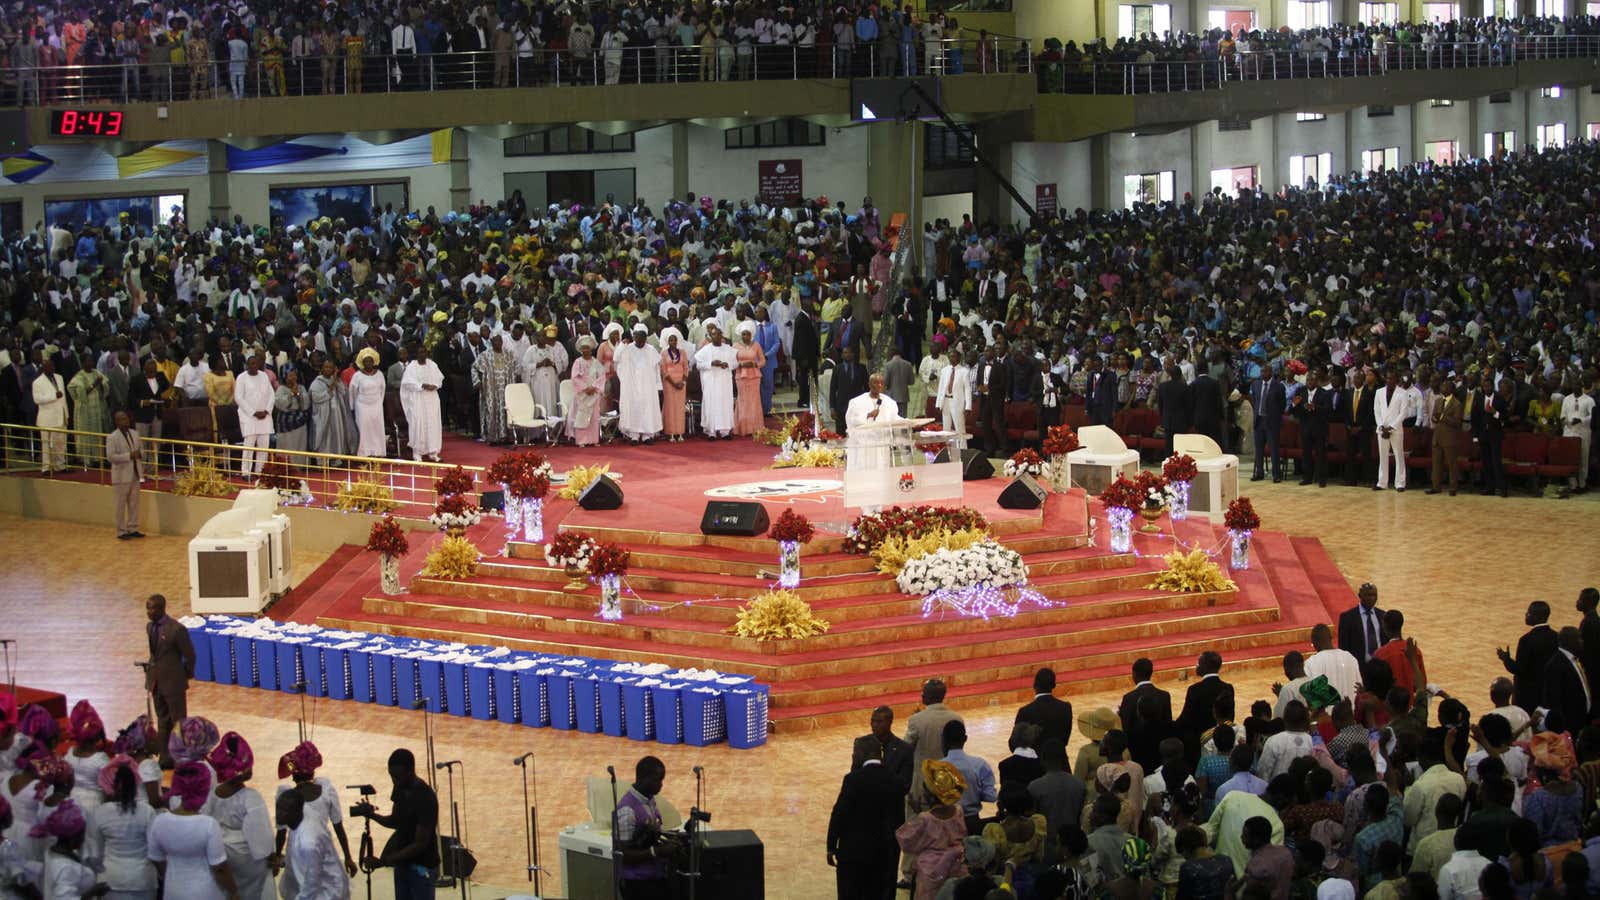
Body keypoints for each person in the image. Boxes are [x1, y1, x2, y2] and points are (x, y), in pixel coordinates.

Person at [271, 741, 357, 894]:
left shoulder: (285, 796)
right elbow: (338, 826)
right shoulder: (327, 790)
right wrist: (348, 857)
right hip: (322, 847)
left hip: (296, 850)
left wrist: (277, 857)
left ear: (294, 775)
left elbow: (281, 833)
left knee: (301, 889)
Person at [353, 749, 438, 900]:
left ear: (411, 771)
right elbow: (395, 821)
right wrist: (372, 815)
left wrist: (384, 861)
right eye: (392, 776)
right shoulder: (400, 788)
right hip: (402, 863)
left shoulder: (425, 797)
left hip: (422, 866)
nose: (395, 781)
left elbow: (420, 844)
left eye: (398, 777)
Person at [147, 763, 236, 900]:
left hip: (173, 891)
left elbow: (157, 859)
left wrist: (173, 876)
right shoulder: (208, 825)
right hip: (206, 892)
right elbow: (219, 868)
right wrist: (234, 892)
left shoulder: (160, 821)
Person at [826, 746, 904, 900]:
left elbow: (839, 814)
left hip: (852, 852)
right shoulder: (895, 781)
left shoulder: (852, 779)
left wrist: (831, 846)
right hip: (882, 853)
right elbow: (899, 819)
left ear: (861, 755)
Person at [206, 734, 273, 900]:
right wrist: (271, 856)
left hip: (220, 852)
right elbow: (260, 836)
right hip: (246, 858)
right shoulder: (251, 797)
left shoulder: (213, 792)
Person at [609, 756, 679, 900]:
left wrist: (666, 836)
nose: (661, 784)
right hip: (636, 884)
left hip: (654, 877)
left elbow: (647, 835)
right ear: (643, 778)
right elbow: (622, 855)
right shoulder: (627, 810)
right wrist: (656, 851)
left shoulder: (649, 799)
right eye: (657, 780)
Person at [86, 756, 156, 900]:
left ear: (113, 786)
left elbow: (93, 855)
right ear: (136, 786)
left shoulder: (100, 812)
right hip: (142, 880)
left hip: (111, 879)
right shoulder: (147, 811)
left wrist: (100, 875)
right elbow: (155, 850)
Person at [896, 760, 967, 900]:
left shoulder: (925, 818)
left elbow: (906, 841)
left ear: (930, 795)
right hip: (956, 866)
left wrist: (916, 814)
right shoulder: (959, 810)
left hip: (931, 872)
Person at [143, 593, 194, 770]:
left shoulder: (177, 630)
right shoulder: (150, 627)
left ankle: (182, 759)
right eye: (147, 608)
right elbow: (154, 655)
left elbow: (190, 656)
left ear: (162, 608)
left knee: (179, 722)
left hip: (174, 684)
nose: (149, 612)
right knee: (162, 721)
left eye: (153, 608)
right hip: (157, 683)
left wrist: (183, 675)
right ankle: (164, 758)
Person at [275, 792, 345, 900]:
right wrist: (283, 860)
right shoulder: (296, 827)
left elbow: (311, 885)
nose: (278, 814)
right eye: (278, 809)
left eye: (283, 810)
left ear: (295, 812)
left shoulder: (307, 842)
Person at [1499, 600, 1560, 714]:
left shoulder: (1526, 640)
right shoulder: (1556, 636)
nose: (1526, 615)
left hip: (1527, 696)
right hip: (1548, 691)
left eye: (1529, 613)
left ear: (1538, 617)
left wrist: (1506, 659)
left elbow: (1519, 669)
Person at [941, 720, 996, 837]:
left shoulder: (936, 768)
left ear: (943, 739)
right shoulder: (980, 764)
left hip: (946, 825)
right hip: (972, 822)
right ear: (965, 738)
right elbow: (991, 797)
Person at [615, 325, 663, 444]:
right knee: (633, 408)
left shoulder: (651, 349)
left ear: (646, 338)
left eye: (642, 338)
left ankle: (647, 435)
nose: (640, 340)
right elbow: (616, 360)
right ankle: (634, 436)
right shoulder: (627, 348)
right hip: (631, 386)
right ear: (633, 336)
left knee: (647, 409)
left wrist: (658, 385)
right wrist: (621, 345)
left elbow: (657, 370)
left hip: (648, 385)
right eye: (637, 337)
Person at [845, 372, 901, 472]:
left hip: (881, 445)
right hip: (864, 446)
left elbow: (895, 418)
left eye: (881, 383)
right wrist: (867, 415)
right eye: (876, 383)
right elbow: (851, 420)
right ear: (869, 384)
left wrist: (909, 422)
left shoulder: (890, 402)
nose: (879, 385)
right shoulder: (856, 402)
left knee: (881, 473)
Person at [1543, 626, 1593, 734]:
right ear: (1569, 641)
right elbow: (1554, 701)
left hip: (1581, 721)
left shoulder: (1573, 659)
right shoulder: (1555, 665)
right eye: (1579, 638)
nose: (1582, 641)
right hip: (1569, 727)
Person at [469, 334, 517, 445]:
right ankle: (492, 437)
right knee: (491, 411)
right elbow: (474, 368)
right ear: (491, 342)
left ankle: (506, 436)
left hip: (506, 388)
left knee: (507, 410)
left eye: (500, 340)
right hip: (491, 388)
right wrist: (477, 382)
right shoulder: (485, 355)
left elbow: (516, 368)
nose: (498, 343)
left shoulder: (509, 355)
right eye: (496, 341)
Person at [399, 346, 444, 462]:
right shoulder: (412, 367)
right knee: (418, 424)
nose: (422, 354)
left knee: (433, 424)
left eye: (424, 352)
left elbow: (440, 378)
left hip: (432, 398)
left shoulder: (432, 365)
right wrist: (422, 385)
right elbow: (407, 383)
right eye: (420, 352)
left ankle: (433, 452)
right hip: (418, 398)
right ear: (416, 354)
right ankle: (417, 453)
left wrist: (435, 385)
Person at [234, 354, 275, 480]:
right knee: (249, 447)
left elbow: (271, 395)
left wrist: (267, 411)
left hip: (265, 417)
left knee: (263, 447)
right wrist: (254, 412)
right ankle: (246, 472)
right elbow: (238, 398)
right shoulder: (241, 378)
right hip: (249, 417)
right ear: (246, 365)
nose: (254, 366)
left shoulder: (263, 376)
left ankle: (259, 472)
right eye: (251, 364)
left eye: (256, 363)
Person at [693, 324, 737, 440]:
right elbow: (698, 365)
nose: (716, 336)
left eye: (718, 334)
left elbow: (735, 364)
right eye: (713, 334)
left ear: (721, 335)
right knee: (711, 404)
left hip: (724, 382)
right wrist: (711, 363)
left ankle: (725, 431)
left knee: (724, 404)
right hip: (711, 382)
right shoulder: (706, 350)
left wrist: (728, 365)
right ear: (710, 336)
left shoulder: (728, 349)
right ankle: (711, 432)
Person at [106, 412, 144, 540]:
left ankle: (133, 528)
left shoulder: (135, 433)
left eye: (126, 418)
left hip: (135, 473)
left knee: (134, 503)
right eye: (121, 419)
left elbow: (141, 450)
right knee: (120, 504)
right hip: (121, 475)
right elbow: (111, 457)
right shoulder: (112, 437)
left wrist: (139, 454)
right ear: (116, 422)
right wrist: (128, 456)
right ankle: (121, 530)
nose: (125, 421)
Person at [67, 355, 111, 465]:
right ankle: (85, 459)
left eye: (92, 361)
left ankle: (97, 458)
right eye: (88, 361)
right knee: (86, 434)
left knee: (97, 433)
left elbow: (105, 388)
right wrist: (94, 384)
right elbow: (79, 394)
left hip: (97, 410)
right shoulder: (79, 376)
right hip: (84, 411)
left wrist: (101, 384)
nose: (90, 363)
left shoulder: (97, 373)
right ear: (83, 363)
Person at [1016, 667, 1073, 747]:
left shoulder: (1025, 712)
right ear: (1054, 685)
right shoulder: (1066, 708)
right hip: (1058, 757)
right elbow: (1065, 740)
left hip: (1034, 759)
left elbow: (1015, 743)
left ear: (1034, 685)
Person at [1303, 623, 1361, 702]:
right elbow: (1359, 688)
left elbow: (1310, 696)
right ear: (1331, 638)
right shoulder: (1350, 657)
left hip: (1327, 713)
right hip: (1351, 712)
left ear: (1315, 642)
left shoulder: (1311, 663)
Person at [309, 361, 355, 456]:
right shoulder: (317, 382)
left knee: (337, 435)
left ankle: (337, 458)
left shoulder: (337, 380)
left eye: (331, 367)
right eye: (326, 367)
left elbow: (344, 393)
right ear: (322, 369)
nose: (328, 369)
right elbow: (316, 398)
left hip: (337, 413)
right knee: (326, 437)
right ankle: (324, 460)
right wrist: (332, 385)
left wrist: (336, 380)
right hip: (324, 415)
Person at [568, 336, 607, 447]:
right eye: (583, 348)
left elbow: (601, 376)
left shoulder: (596, 362)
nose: (585, 350)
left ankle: (593, 440)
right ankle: (581, 440)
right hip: (582, 394)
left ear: (591, 349)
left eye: (587, 348)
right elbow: (575, 377)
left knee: (594, 417)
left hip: (594, 393)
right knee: (582, 416)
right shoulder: (577, 362)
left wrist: (594, 387)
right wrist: (585, 388)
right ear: (580, 349)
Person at [1373, 368, 1408, 491]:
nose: (1389, 380)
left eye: (1392, 378)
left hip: (1396, 429)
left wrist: (1391, 428)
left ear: (1397, 380)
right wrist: (1381, 426)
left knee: (1399, 455)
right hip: (1382, 429)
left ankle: (1400, 483)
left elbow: (1403, 413)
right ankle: (1382, 482)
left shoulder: (1402, 393)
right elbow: (1376, 411)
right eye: (1387, 378)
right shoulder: (1379, 392)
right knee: (1383, 456)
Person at [1428, 381, 1466, 495]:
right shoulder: (1438, 400)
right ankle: (1436, 486)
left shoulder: (1457, 404)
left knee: (1451, 464)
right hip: (1437, 436)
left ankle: (1453, 487)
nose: (1442, 387)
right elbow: (1434, 416)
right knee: (1436, 464)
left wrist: (1443, 417)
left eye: (1445, 386)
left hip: (1450, 438)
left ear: (1451, 389)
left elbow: (1457, 422)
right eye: (1442, 385)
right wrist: (1435, 418)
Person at [348, 349, 388, 458]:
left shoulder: (379, 374)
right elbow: (353, 392)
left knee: (377, 427)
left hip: (376, 405)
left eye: (370, 361)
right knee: (364, 429)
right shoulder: (357, 375)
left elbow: (382, 389)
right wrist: (353, 406)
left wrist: (379, 402)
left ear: (374, 361)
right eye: (366, 361)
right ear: (362, 362)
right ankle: (364, 453)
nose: (368, 363)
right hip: (362, 406)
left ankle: (378, 451)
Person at [1336, 583, 1387, 664]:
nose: (1371, 598)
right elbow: (1343, 647)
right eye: (1368, 595)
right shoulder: (1347, 618)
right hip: (1358, 666)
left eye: (1374, 595)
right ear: (1360, 595)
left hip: (1380, 665)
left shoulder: (1382, 615)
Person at [33, 356, 68, 473]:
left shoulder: (60, 377)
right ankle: (46, 467)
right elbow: (37, 399)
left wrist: (66, 414)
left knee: (61, 442)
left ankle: (60, 465)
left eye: (53, 366)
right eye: (49, 366)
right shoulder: (37, 382)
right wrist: (53, 396)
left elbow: (64, 398)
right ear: (44, 368)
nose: (52, 368)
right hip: (47, 418)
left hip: (61, 415)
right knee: (46, 444)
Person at [1250, 369, 1285, 482]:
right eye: (1262, 372)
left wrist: (1275, 416)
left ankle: (1276, 475)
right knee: (1259, 449)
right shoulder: (1256, 384)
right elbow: (1254, 399)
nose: (1263, 374)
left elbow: (1282, 404)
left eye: (1265, 372)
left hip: (1271, 422)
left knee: (1273, 449)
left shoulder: (1278, 386)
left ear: (1270, 373)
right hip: (1259, 420)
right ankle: (1259, 473)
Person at [732, 322, 766, 436]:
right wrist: (741, 365)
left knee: (754, 400)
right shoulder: (735, 346)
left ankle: (755, 427)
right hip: (740, 376)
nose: (745, 336)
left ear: (751, 334)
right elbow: (732, 362)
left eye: (747, 334)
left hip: (754, 376)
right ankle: (742, 427)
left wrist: (754, 364)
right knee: (742, 400)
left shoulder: (756, 345)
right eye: (743, 334)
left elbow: (762, 361)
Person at [831, 347, 870, 439]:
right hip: (841, 406)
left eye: (849, 352)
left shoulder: (861, 368)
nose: (847, 354)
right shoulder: (837, 369)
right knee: (841, 434)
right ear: (842, 355)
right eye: (845, 353)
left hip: (858, 406)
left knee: (857, 432)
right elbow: (833, 389)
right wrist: (832, 407)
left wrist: (867, 404)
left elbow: (867, 388)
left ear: (853, 354)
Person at [657, 328, 688, 442]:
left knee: (680, 408)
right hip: (669, 383)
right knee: (670, 407)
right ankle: (670, 433)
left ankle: (679, 432)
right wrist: (674, 383)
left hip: (681, 383)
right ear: (667, 341)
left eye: (675, 340)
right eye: (671, 340)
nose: (673, 342)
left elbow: (686, 368)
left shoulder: (683, 352)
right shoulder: (664, 353)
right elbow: (663, 370)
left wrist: (682, 382)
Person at [273, 368, 311, 456]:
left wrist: (298, 394)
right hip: (285, 422)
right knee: (287, 447)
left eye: (294, 375)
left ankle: (299, 467)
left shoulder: (301, 388)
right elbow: (279, 404)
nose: (293, 378)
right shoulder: (281, 389)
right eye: (290, 375)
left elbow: (306, 404)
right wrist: (291, 394)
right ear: (285, 377)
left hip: (300, 422)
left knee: (300, 445)